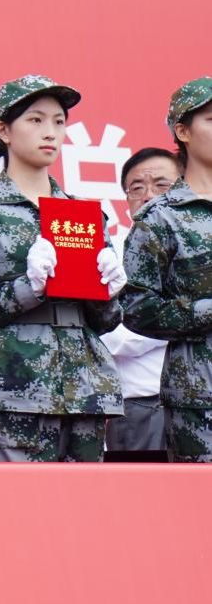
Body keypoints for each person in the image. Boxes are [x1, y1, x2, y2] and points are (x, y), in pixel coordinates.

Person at [0, 74, 125, 462]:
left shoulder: (84, 214)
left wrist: (109, 293)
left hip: (86, 391)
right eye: (36, 120)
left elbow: (106, 320)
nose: (50, 132)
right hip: (14, 389)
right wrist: (28, 286)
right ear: (4, 130)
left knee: (86, 501)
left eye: (59, 122)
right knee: (14, 500)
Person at [123, 78, 212, 462]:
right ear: (183, 132)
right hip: (201, 400)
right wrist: (205, 310)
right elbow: (135, 307)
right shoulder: (160, 218)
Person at [100, 148, 178, 453]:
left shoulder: (203, 246)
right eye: (137, 188)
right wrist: (189, 322)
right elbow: (113, 336)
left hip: (201, 401)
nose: (149, 196)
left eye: (162, 185)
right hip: (140, 405)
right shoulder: (109, 252)